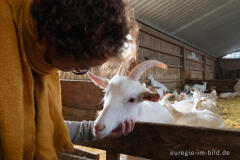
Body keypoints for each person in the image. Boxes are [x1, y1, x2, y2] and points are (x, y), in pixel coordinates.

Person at [0, 0, 138, 159]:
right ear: (62, 41)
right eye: (80, 66)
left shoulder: (39, 60)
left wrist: (93, 129)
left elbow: (42, 128)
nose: (80, 70)